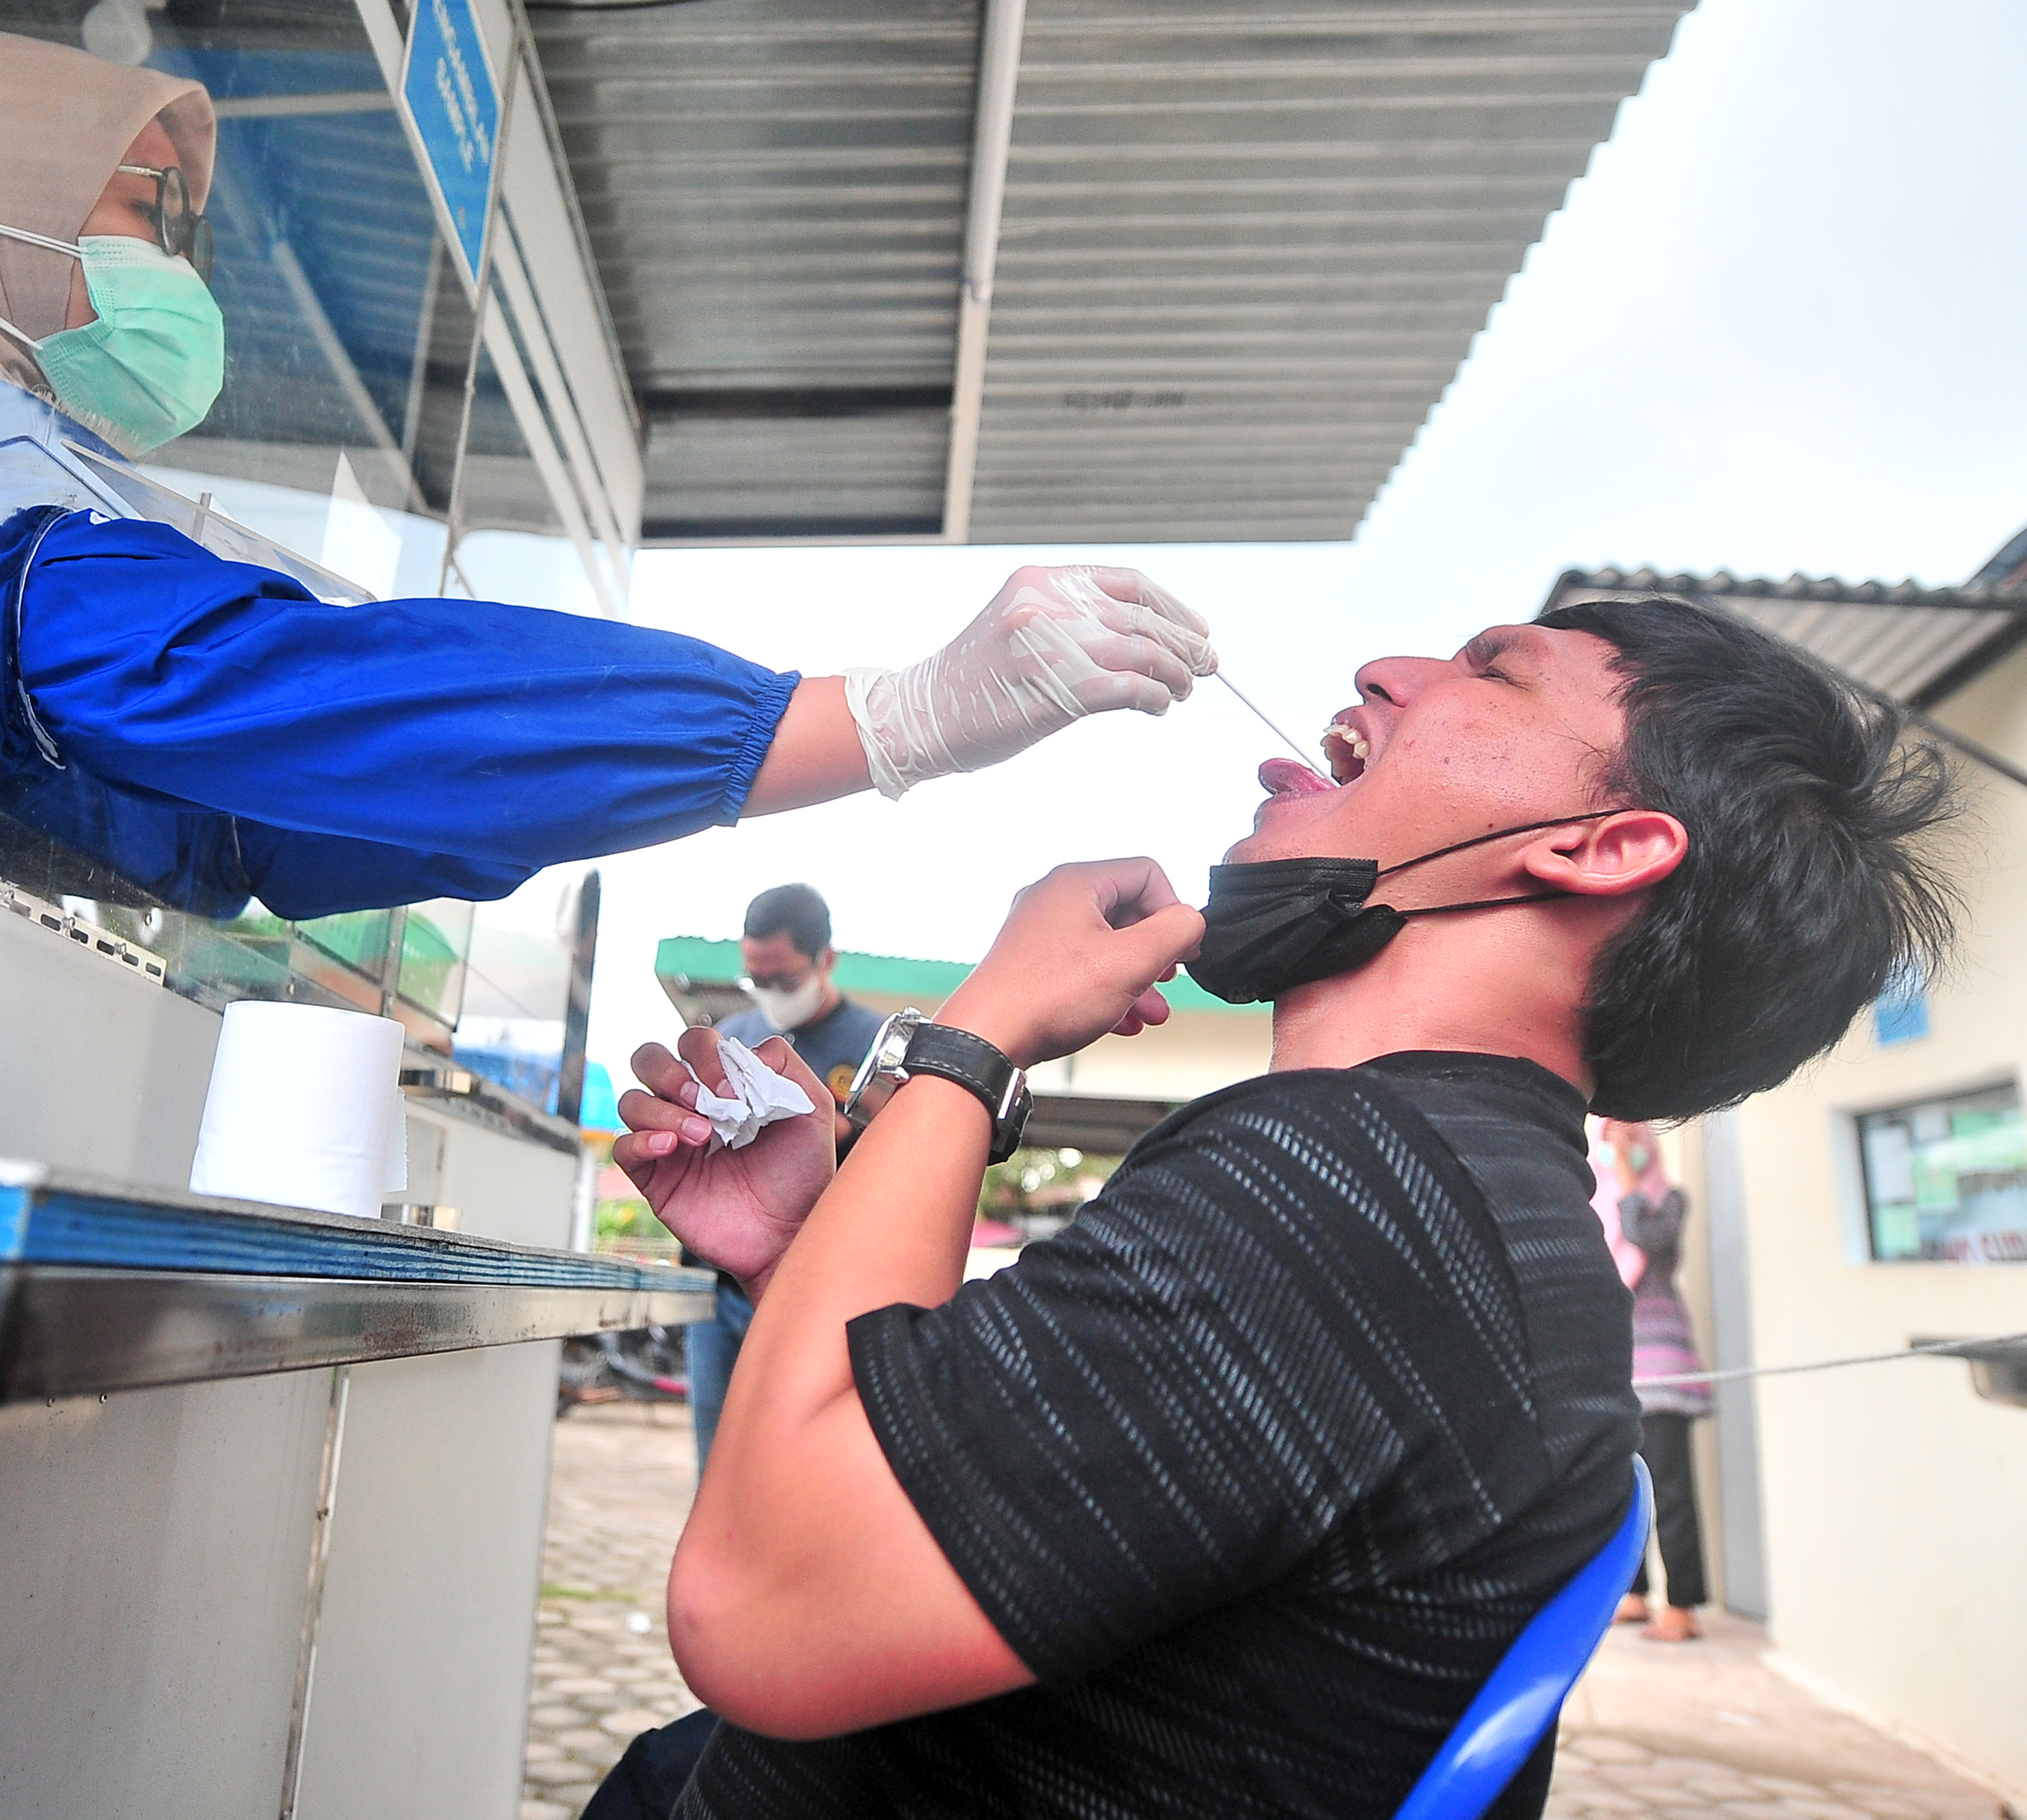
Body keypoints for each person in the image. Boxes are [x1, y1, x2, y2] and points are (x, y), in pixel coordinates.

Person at [0, 29, 1215, 1137]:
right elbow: (310, 706)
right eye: (132, 214)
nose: (164, 268)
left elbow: (247, 816)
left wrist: (559, 784)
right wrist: (884, 715)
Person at [597, 596, 1959, 1818]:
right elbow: (1002, 1504)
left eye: (1494, 669)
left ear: (1602, 846)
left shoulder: (1361, 1194)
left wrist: (979, 1029)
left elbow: (763, 1608)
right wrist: (803, 1258)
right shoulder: (1461, 1208)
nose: (1382, 665)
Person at [687, 885, 886, 1475]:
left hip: (823, 1293)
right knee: (719, 1462)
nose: (771, 994)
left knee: (804, 1470)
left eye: (784, 978)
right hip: (720, 1290)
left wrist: (844, 1131)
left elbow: (906, 1158)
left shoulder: (878, 1046)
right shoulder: (732, 1037)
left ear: (826, 960)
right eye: (758, 978)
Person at [1597, 1118, 1712, 1642]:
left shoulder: (1668, 1201)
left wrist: (1627, 1179)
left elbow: (1649, 1239)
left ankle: (1683, 1604)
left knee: (1671, 1489)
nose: (1624, 1146)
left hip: (1664, 1367)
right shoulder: (1593, 1202)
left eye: (1633, 1137)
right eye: (1614, 1137)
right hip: (1616, 1367)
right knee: (1622, 1490)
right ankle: (1635, 1593)